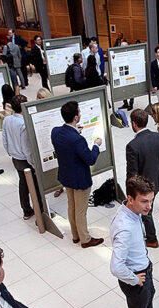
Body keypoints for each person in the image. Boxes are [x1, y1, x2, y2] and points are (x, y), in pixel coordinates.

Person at [111, 176, 159, 308]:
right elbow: (115, 267)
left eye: (151, 200)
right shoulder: (125, 228)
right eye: (144, 201)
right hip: (135, 277)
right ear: (130, 199)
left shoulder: (131, 211)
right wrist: (134, 279)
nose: (149, 206)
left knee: (150, 293)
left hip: (143, 267)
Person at [52, 101, 104, 248]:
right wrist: (96, 145)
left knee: (72, 207)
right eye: (79, 112)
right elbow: (90, 159)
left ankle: (75, 235)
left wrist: (76, 131)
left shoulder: (56, 132)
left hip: (66, 176)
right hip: (80, 179)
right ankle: (85, 239)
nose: (80, 114)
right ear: (75, 117)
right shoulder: (77, 140)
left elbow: (68, 145)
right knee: (81, 211)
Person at [126, 109, 159, 247]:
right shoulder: (158, 137)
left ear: (133, 123)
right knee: (148, 209)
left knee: (145, 212)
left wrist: (130, 191)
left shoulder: (132, 146)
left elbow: (132, 173)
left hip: (143, 187)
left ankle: (152, 239)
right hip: (156, 180)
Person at [2, 95, 44, 220]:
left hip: (15, 158)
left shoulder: (7, 120)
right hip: (25, 160)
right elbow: (27, 148)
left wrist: (10, 152)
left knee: (23, 184)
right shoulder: (24, 123)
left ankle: (26, 210)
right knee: (35, 186)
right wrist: (33, 165)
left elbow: (4, 139)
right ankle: (41, 212)